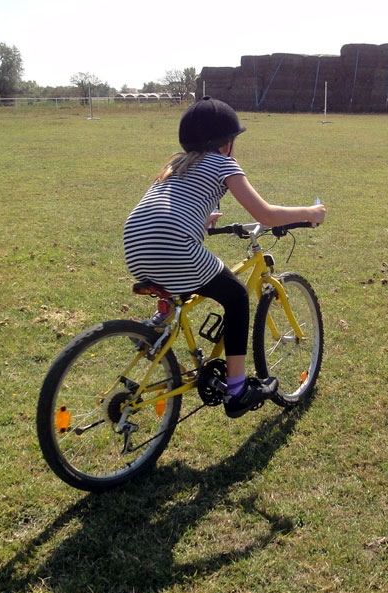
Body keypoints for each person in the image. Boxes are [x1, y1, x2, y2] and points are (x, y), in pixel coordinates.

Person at [123, 96, 326, 418]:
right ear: (226, 142)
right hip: (174, 243)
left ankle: (159, 322)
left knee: (180, 275)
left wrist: (202, 220)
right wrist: (311, 211)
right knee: (234, 295)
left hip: (134, 244)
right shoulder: (223, 163)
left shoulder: (174, 164)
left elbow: (169, 206)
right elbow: (265, 214)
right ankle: (237, 389)